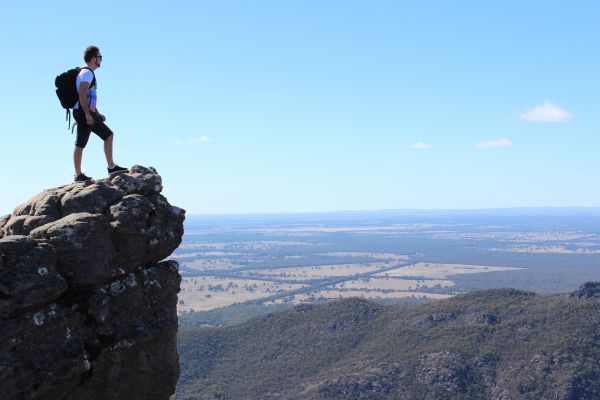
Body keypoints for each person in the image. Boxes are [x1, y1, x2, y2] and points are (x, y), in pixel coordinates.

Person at [72, 45, 128, 182]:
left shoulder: (88, 73)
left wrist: (97, 112)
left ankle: (111, 167)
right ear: (93, 58)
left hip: (89, 112)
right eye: (100, 57)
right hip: (83, 112)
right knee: (80, 143)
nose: (101, 60)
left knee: (108, 135)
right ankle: (78, 175)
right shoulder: (87, 73)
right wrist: (87, 114)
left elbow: (90, 96)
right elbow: (82, 94)